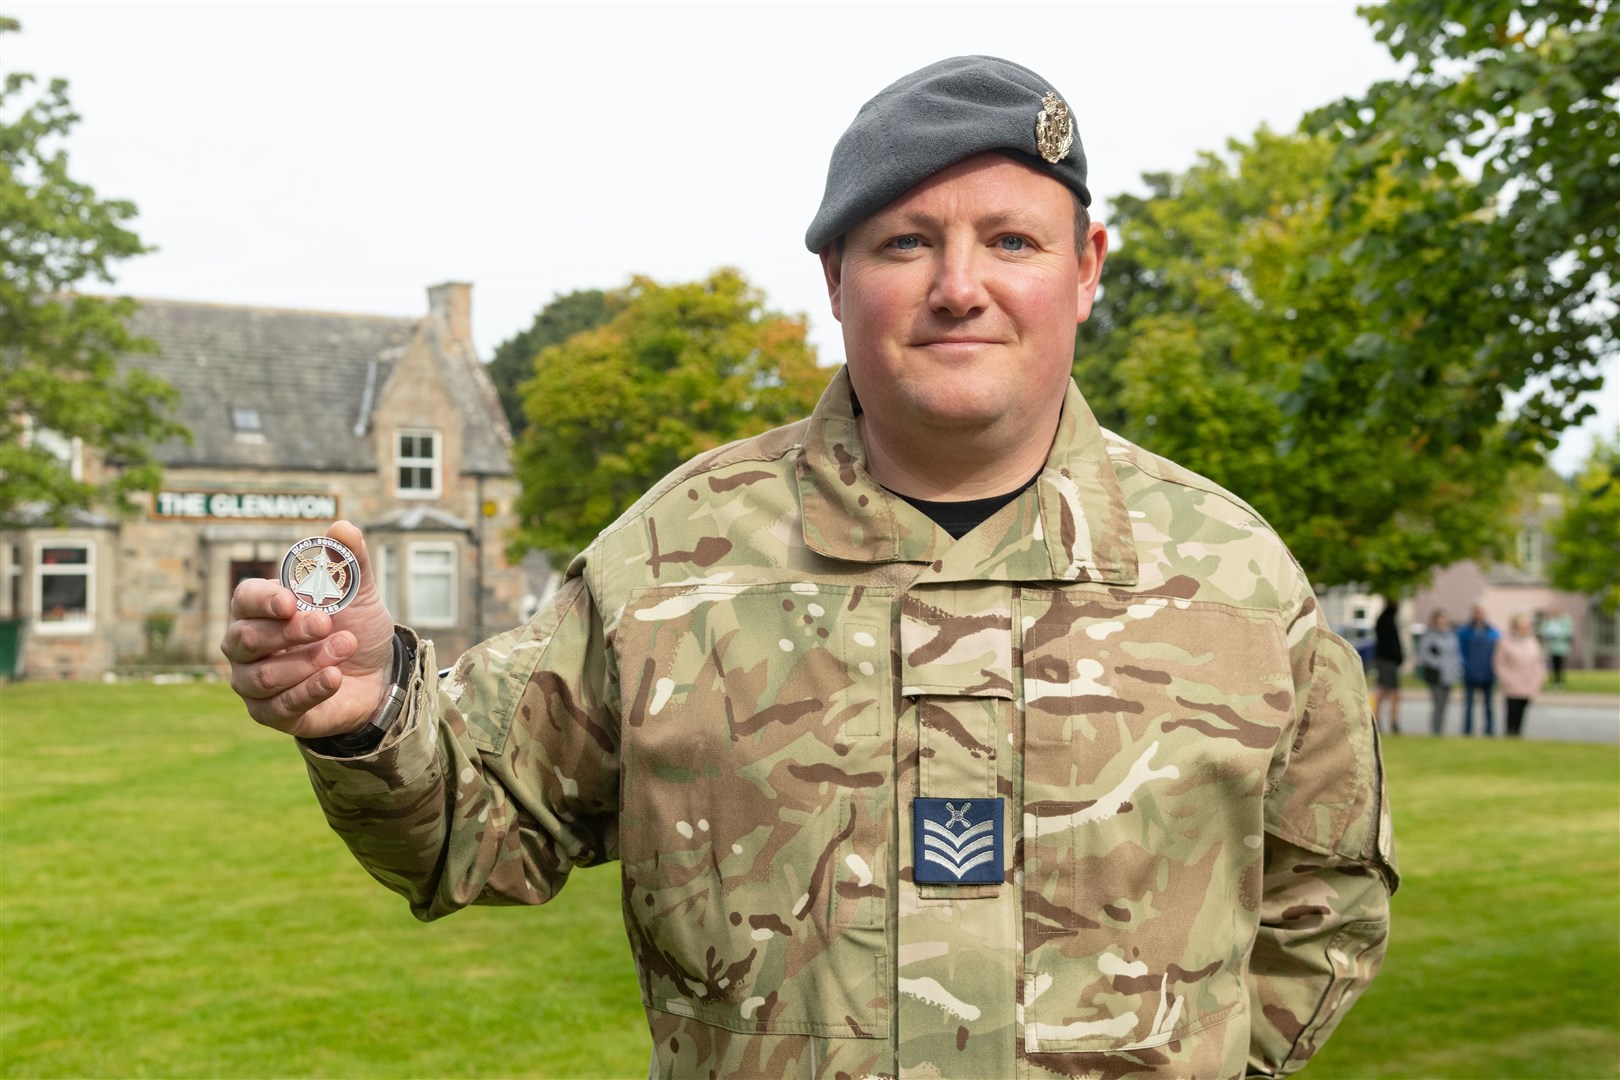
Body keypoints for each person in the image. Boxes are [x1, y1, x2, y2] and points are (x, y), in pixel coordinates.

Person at [222, 56, 1396, 1079]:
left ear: (1086, 267)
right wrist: (369, 713)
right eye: (906, 242)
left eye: (1012, 240)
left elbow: (1329, 893)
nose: (959, 286)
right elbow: (476, 825)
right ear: (835, 278)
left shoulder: (1232, 577)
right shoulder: (673, 560)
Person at [1495, 614, 1547, 738]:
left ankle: (1518, 735)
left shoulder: (1532, 642)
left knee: (1522, 713)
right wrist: (1506, 679)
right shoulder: (1506, 641)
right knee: (1512, 712)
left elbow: (1539, 662)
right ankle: (1510, 735)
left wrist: (1538, 679)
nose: (1526, 627)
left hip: (1528, 683)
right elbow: (1499, 662)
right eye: (1523, 625)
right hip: (1512, 683)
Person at [1416, 610, 1463, 736]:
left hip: (1449, 674)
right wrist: (1437, 663)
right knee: (1437, 703)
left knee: (1444, 704)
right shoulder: (1429, 636)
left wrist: (1456, 668)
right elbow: (1423, 653)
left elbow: (1456, 654)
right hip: (1436, 674)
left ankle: (1440, 729)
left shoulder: (1451, 635)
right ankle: (1435, 731)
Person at [1457, 605, 1500, 736]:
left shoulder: (1492, 632)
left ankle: (1489, 730)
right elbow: (1460, 652)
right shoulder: (1465, 632)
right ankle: (1467, 731)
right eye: (1477, 612)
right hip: (1470, 673)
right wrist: (1465, 667)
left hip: (1488, 673)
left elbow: (1497, 653)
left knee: (1488, 705)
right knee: (1469, 705)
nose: (1479, 615)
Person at [1372, 596, 1404, 734]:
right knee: (1386, 691)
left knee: (1388, 692)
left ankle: (1388, 720)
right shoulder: (1386, 619)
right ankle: (1385, 720)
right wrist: (1397, 656)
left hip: (1388, 660)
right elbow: (1389, 643)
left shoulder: (1387, 618)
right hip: (1387, 661)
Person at [1537, 610, 1573, 688]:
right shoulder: (1549, 622)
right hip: (1551, 647)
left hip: (1561, 648)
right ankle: (1553, 681)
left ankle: (1559, 681)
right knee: (1552, 665)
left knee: (1560, 665)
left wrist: (1558, 634)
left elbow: (1569, 633)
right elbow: (1542, 631)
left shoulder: (1565, 622)